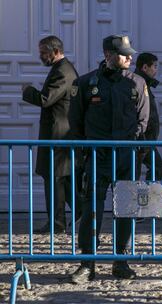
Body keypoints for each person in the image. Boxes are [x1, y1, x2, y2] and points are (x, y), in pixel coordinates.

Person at [69, 34, 150, 283]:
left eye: (130, 53)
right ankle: (87, 263)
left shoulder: (137, 83)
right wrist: (87, 148)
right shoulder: (86, 83)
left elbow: (143, 120)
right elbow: (76, 121)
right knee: (91, 209)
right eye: (124, 53)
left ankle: (121, 260)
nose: (129, 57)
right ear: (108, 55)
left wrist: (132, 146)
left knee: (125, 210)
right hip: (97, 156)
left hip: (125, 157)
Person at [22, 35, 80, 234]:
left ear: (55, 51)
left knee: (55, 180)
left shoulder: (63, 71)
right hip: (57, 135)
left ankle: (58, 223)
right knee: (62, 180)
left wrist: (28, 91)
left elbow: (46, 99)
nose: (40, 56)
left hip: (58, 136)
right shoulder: (61, 69)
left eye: (43, 52)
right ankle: (80, 214)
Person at [134, 52, 162, 181]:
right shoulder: (138, 83)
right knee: (135, 171)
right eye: (155, 66)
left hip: (147, 140)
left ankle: (147, 197)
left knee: (156, 167)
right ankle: (142, 199)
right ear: (145, 67)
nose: (156, 70)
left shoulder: (145, 83)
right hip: (141, 139)